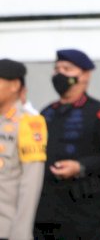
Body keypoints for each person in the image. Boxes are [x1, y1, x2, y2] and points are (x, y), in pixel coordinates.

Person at [34, 49, 100, 240]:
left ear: (85, 75)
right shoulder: (46, 112)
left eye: (67, 69)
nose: (59, 73)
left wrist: (81, 166)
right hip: (46, 212)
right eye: (57, 69)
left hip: (84, 213)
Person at [0, 58, 47, 240]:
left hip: (6, 230)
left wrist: (21, 235)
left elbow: (31, 184)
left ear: (14, 85)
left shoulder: (29, 122)